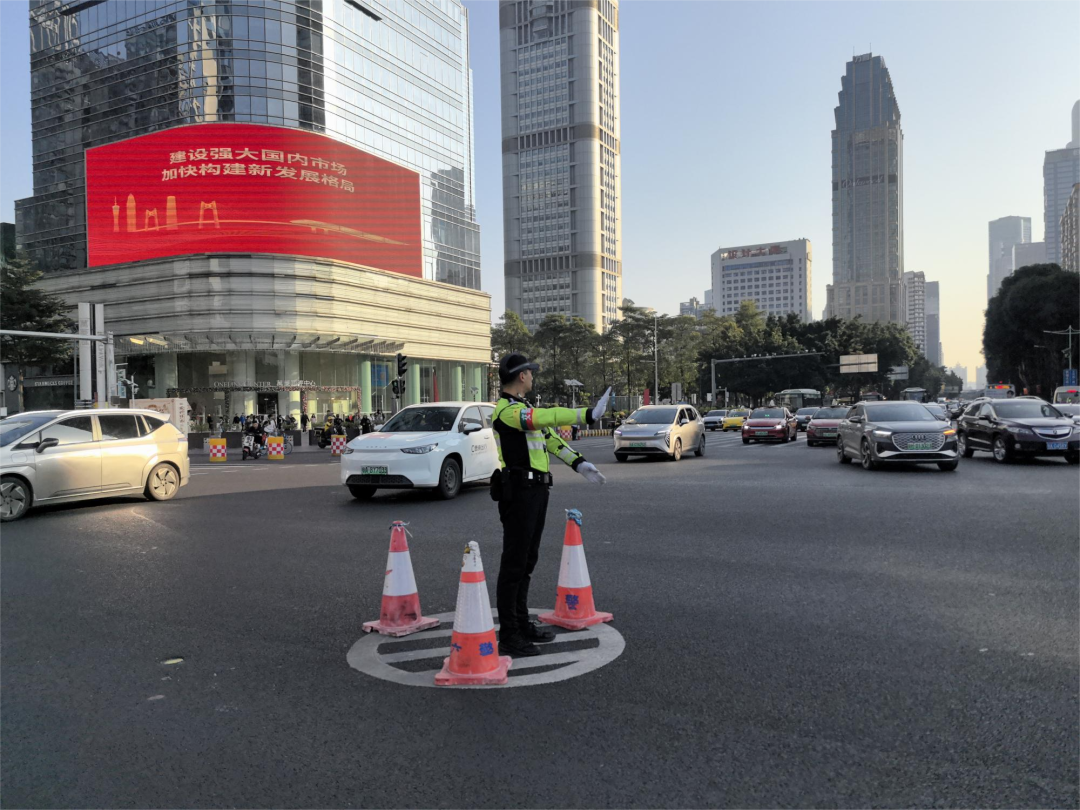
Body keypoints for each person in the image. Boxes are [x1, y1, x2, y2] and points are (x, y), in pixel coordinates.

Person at [491, 353, 611, 658]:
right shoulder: (507, 411)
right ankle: (509, 634)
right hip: (519, 492)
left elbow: (551, 440)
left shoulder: (523, 408)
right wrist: (586, 414)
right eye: (531, 372)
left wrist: (579, 464)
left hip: (536, 491)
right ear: (521, 376)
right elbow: (543, 419)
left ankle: (521, 623)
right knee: (514, 564)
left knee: (527, 561)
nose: (533, 376)